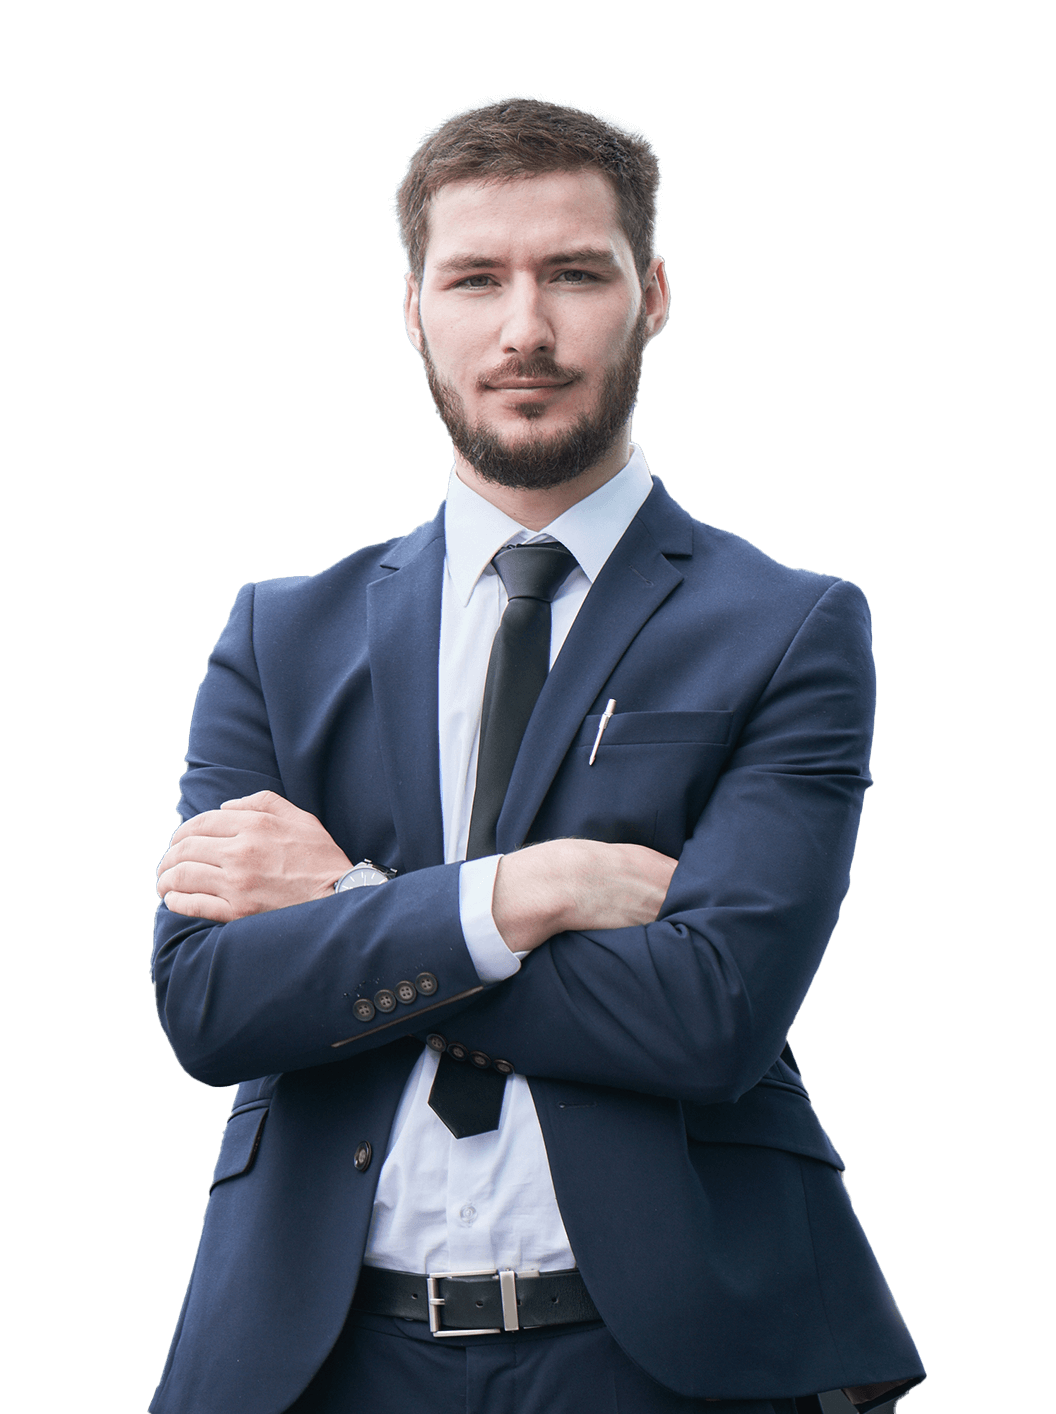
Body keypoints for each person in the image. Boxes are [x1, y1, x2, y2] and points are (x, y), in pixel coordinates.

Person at [151, 98, 925, 1414]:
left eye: (575, 273)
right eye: (476, 279)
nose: (524, 329)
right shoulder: (282, 632)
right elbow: (213, 1007)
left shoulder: (792, 624)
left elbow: (711, 1014)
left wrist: (348, 907)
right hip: (318, 1358)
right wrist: (528, 894)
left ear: (654, 294)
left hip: (668, 1358)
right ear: (412, 307)